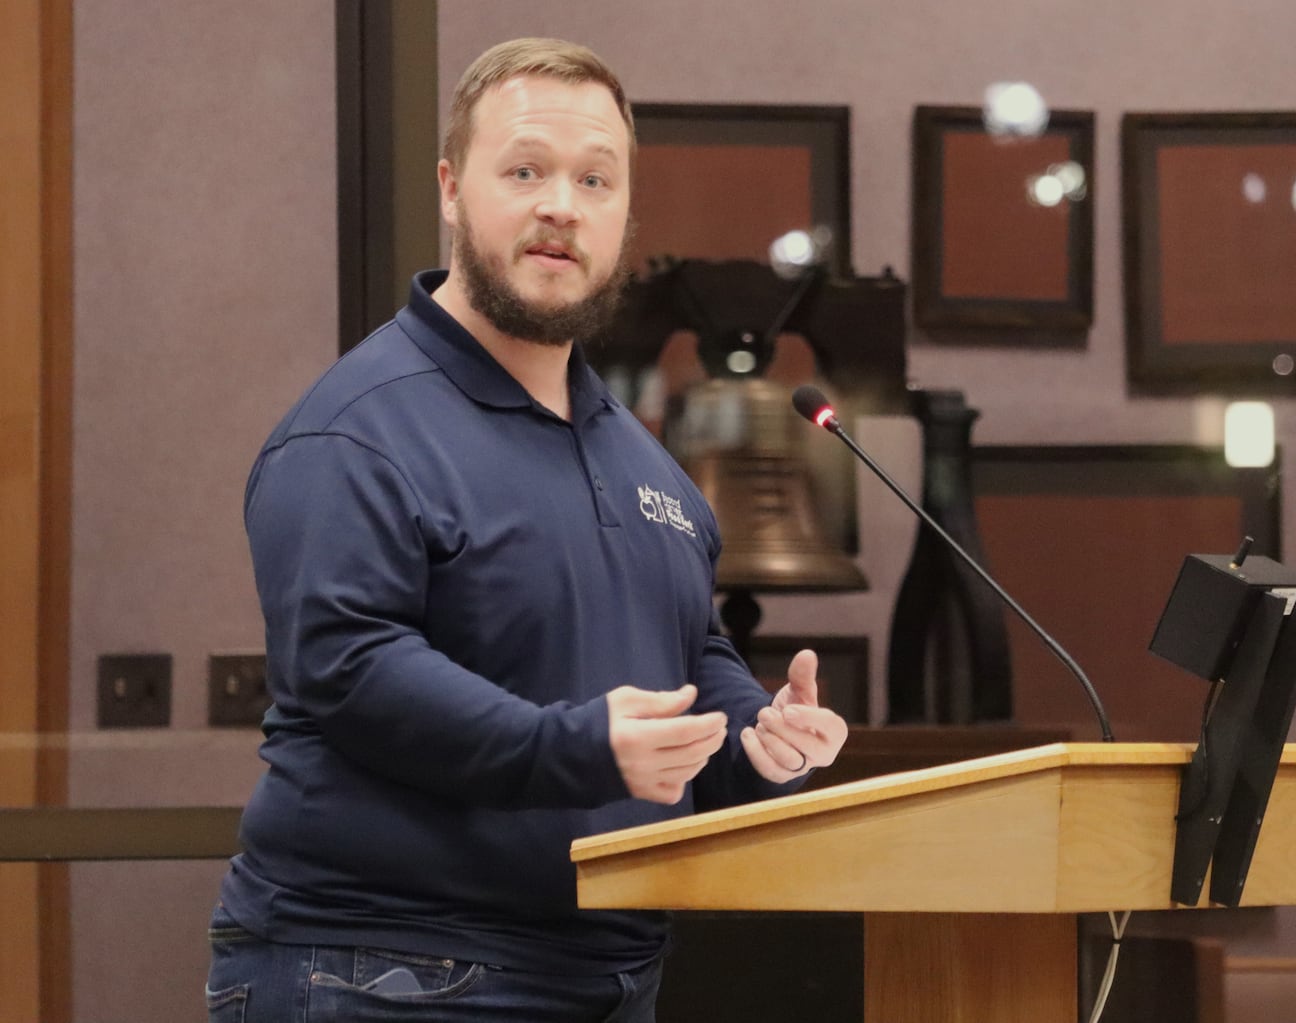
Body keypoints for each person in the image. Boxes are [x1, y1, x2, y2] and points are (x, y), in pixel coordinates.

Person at [204, 36, 849, 1023]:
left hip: (609, 972)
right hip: (387, 970)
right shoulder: (357, 429)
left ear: (625, 216)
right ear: (452, 189)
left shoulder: (643, 463)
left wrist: (755, 737)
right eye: (526, 171)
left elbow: (688, 651)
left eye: (596, 179)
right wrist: (578, 746)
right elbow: (349, 667)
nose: (562, 204)